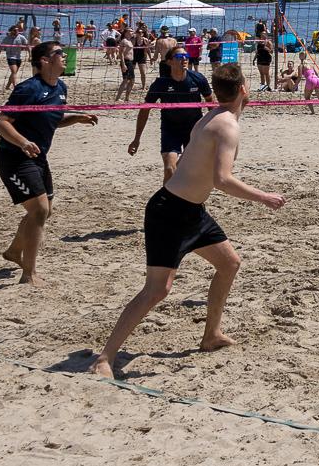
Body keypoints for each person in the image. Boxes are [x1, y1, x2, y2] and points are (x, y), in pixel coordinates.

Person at [89, 63, 282, 378]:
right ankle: (104, 359)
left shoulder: (213, 116)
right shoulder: (226, 126)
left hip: (191, 211)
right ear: (243, 90)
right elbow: (222, 179)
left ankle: (211, 335)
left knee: (229, 264)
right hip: (169, 212)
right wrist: (263, 197)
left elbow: (206, 157)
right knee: (156, 290)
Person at [0, 41, 99, 284]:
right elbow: (1, 123)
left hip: (37, 156)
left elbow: (51, 119)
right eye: (59, 53)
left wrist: (76, 118)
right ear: (45, 60)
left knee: (44, 211)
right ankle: (29, 274)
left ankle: (13, 251)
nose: (65, 56)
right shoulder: (28, 89)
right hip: (14, 156)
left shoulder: (61, 87)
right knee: (39, 210)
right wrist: (23, 142)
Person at [129, 48, 213, 182]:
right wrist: (136, 138)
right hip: (170, 129)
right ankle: (168, 195)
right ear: (169, 62)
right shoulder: (161, 83)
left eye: (186, 55)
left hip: (194, 129)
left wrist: (214, 130)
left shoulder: (198, 78)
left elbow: (210, 103)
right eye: (179, 56)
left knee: (191, 170)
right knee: (169, 168)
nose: (184, 59)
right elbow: (145, 109)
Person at [4, 20, 28, 88]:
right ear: (11, 31)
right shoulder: (7, 38)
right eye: (15, 30)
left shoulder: (21, 37)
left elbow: (27, 45)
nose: (17, 31)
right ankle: (15, 86)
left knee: (13, 73)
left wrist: (29, 55)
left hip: (18, 57)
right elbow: (0, 47)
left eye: (17, 30)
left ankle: (7, 86)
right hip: (10, 57)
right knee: (14, 72)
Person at [253, 21, 274, 91]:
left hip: (266, 58)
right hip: (259, 58)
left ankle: (268, 86)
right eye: (262, 35)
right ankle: (262, 87)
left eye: (264, 34)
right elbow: (257, 51)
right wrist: (254, 59)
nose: (263, 35)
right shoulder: (259, 42)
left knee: (266, 73)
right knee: (261, 74)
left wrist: (266, 48)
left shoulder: (268, 42)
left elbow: (271, 51)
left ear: (266, 35)